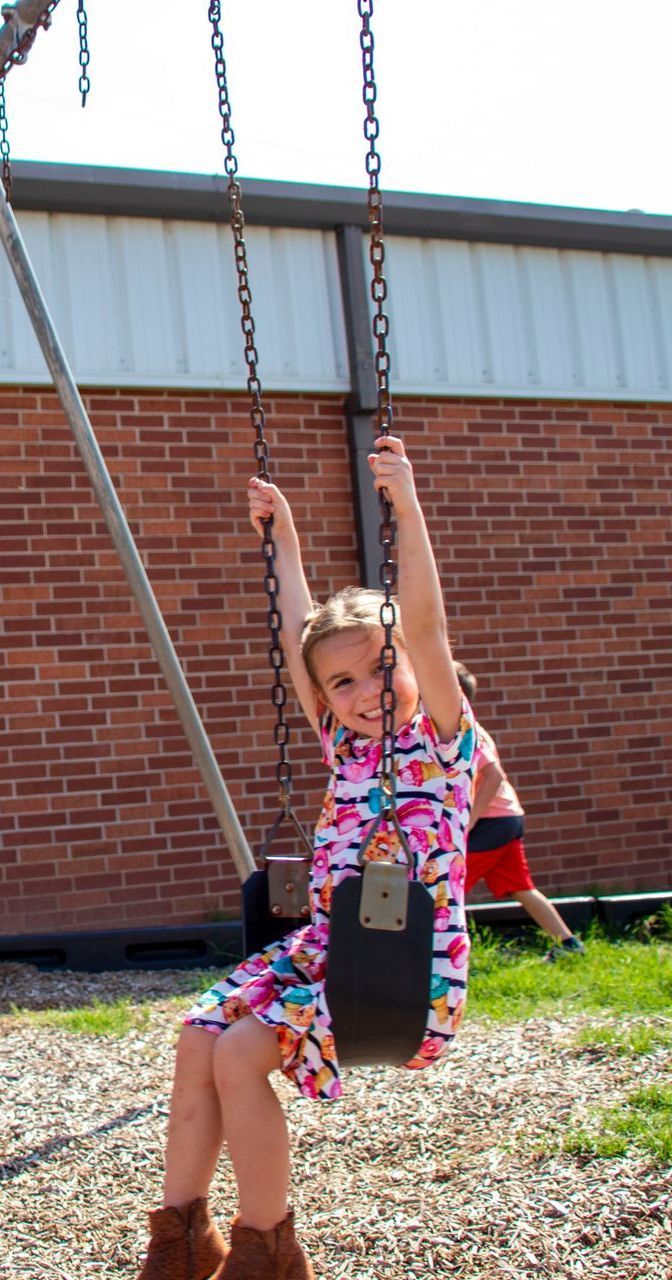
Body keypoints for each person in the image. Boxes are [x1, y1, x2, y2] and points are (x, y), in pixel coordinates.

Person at [135, 436, 476, 1280]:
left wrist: (406, 505)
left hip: (405, 965)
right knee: (199, 1036)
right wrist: (282, 536)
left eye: (379, 671)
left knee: (243, 1054)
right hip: (323, 948)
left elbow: (424, 625)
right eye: (343, 686)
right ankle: (180, 1242)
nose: (364, 696)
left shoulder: (440, 742)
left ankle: (268, 1249)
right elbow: (299, 636)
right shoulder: (341, 747)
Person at [454, 662, 585, 962]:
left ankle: (441, 956)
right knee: (521, 887)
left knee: (448, 889)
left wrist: (470, 820)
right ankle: (569, 945)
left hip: (491, 821)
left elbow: (495, 776)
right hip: (506, 818)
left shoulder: (467, 730)